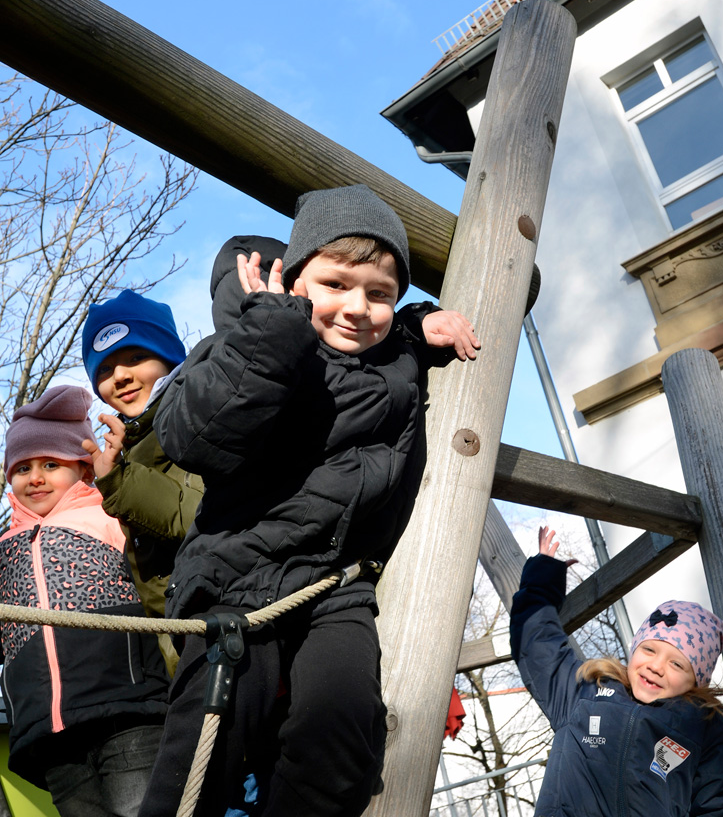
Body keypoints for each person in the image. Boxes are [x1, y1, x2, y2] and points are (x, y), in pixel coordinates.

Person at [138, 184, 480, 817]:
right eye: (335, 285)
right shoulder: (251, 338)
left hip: (334, 584)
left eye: (381, 293)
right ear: (294, 281)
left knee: (344, 742)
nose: (357, 308)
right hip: (238, 574)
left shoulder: (394, 352)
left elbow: (395, 342)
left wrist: (420, 322)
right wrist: (269, 331)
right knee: (210, 741)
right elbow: (193, 437)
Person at [0, 385, 169, 817]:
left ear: (84, 470)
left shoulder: (111, 518)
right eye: (22, 468)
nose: (34, 477)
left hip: (128, 707)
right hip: (48, 730)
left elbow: (157, 586)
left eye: (51, 464)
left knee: (140, 808)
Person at [511, 526, 723, 817]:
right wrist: (541, 579)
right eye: (649, 650)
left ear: (695, 682)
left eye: (677, 664)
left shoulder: (705, 727)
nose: (656, 666)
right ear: (634, 649)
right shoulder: (584, 694)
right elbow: (538, 644)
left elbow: (717, 807)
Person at [81, 289, 205, 675]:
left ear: (169, 357)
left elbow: (203, 517)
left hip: (232, 630)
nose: (119, 376)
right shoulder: (131, 446)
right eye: (104, 369)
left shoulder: (199, 415)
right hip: (185, 652)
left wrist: (119, 482)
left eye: (136, 357)